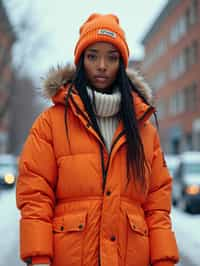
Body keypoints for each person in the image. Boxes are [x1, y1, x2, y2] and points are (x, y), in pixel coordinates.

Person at [16, 13, 179, 266]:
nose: (102, 65)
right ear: (81, 61)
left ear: (121, 65)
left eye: (111, 57)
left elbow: (157, 207)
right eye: (93, 56)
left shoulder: (144, 131)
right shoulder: (51, 123)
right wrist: (38, 257)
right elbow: (35, 197)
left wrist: (164, 261)